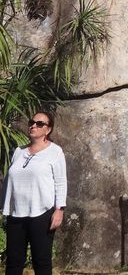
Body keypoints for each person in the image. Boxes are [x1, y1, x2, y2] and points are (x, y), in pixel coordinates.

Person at [2, 112, 67, 275]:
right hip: (16, 214)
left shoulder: (55, 152)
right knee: (13, 263)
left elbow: (61, 182)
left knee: (42, 262)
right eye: (32, 122)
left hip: (42, 213)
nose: (33, 126)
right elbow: (10, 181)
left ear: (48, 129)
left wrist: (59, 210)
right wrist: (4, 208)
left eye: (39, 124)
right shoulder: (18, 151)